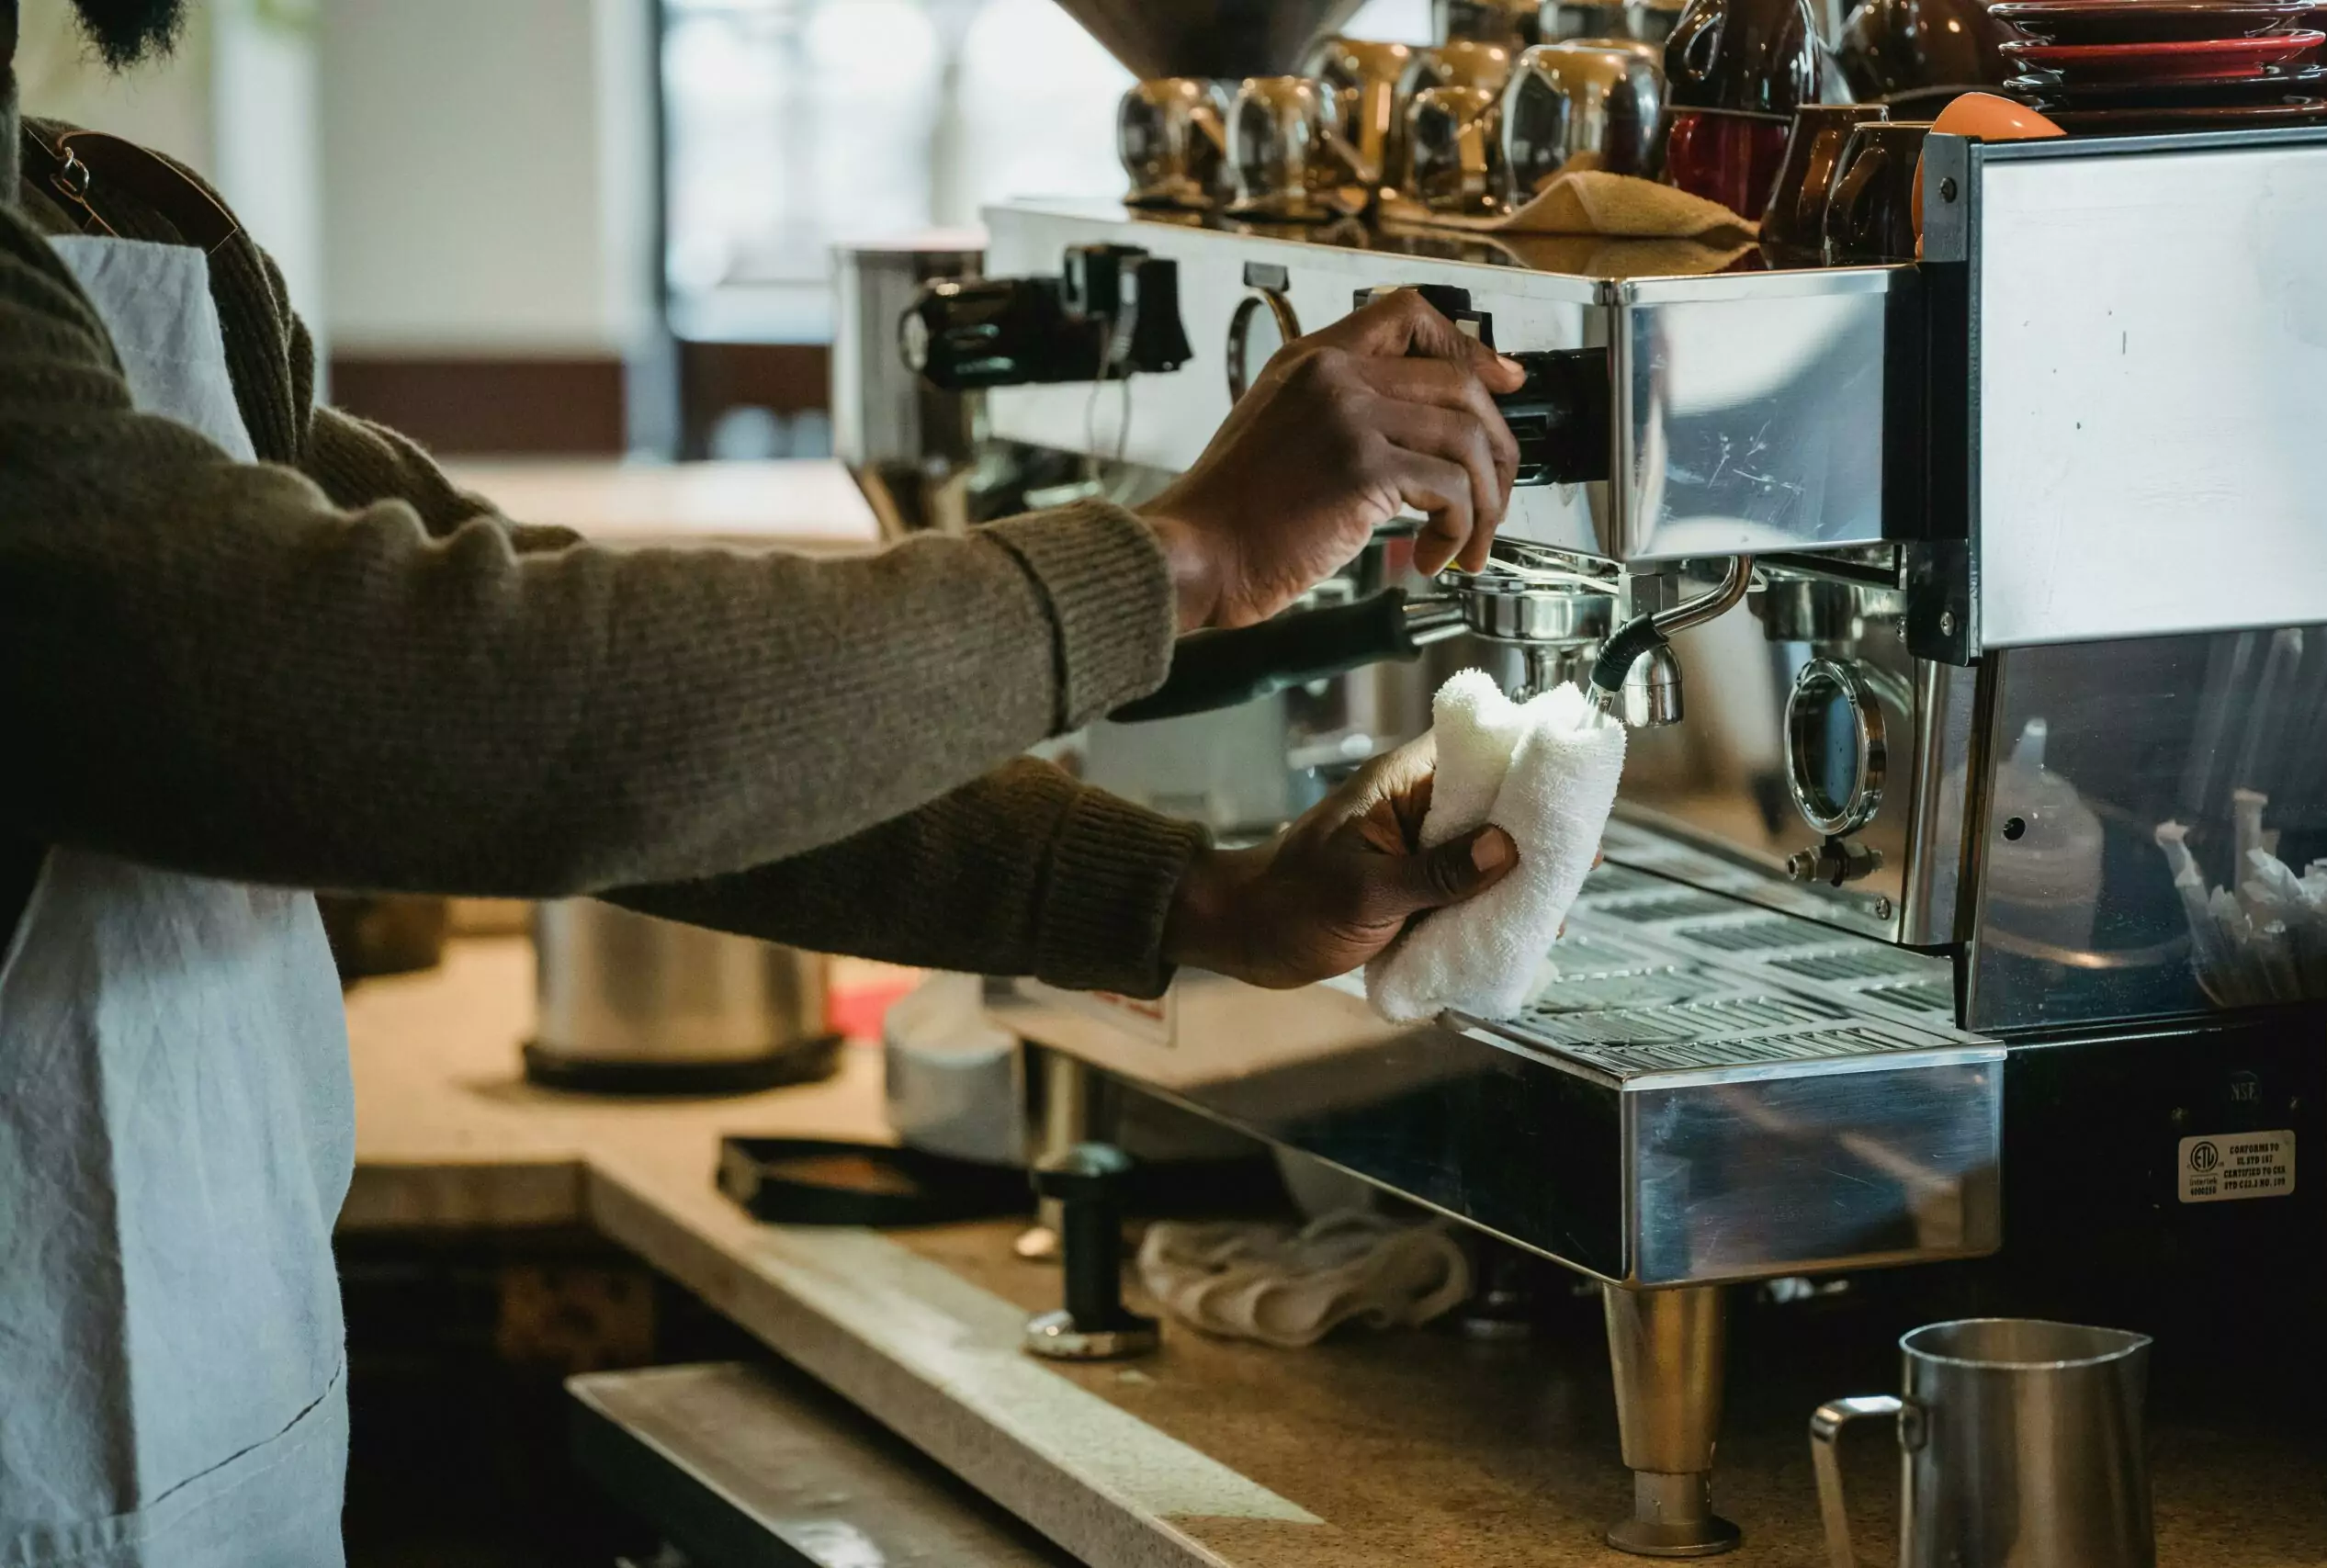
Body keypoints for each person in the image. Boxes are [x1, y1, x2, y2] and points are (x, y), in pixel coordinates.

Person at [0, 1, 1531, 1562]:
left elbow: (536, 627)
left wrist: (1200, 897)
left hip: (205, 1443)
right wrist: (1183, 555)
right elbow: (450, 697)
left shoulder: (91, 208)